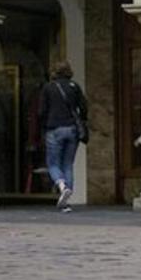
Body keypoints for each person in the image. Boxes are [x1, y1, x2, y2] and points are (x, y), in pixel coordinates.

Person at [38, 61, 89, 212]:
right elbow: (84, 107)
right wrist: (82, 120)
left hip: (54, 129)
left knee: (53, 164)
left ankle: (62, 185)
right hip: (72, 129)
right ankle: (65, 202)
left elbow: (41, 111)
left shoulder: (48, 88)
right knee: (68, 164)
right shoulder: (74, 86)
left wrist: (43, 126)